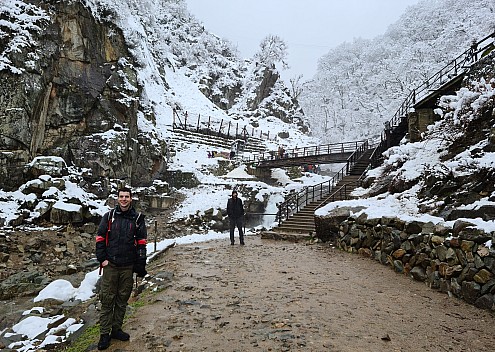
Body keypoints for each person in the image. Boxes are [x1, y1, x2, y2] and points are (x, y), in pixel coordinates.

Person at [95, 187, 148, 350]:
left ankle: (116, 329)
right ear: (117, 199)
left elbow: (141, 242)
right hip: (110, 265)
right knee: (107, 299)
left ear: (131, 199)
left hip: (127, 266)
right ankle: (104, 334)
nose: (124, 199)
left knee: (122, 299)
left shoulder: (138, 218)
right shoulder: (109, 216)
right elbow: (100, 237)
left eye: (127, 196)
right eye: (121, 196)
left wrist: (140, 264)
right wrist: (102, 259)